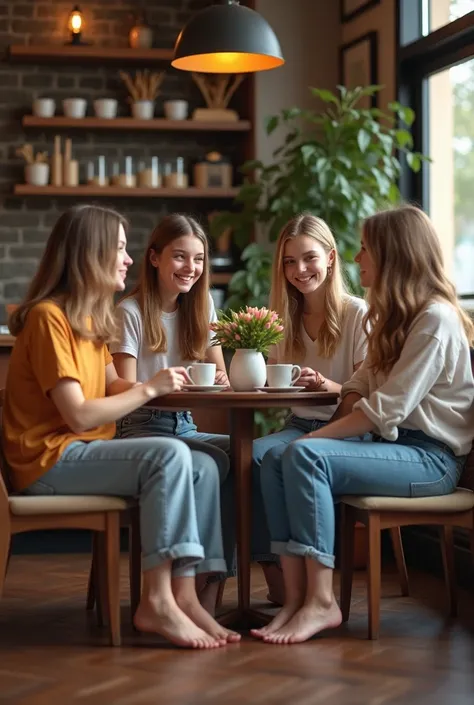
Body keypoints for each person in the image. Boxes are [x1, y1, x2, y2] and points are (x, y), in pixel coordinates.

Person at [2, 204, 239, 649]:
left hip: (81, 452)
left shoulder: (89, 318)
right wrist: (150, 390)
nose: (128, 260)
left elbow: (111, 383)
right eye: (120, 248)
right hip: (49, 461)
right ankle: (156, 602)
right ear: (89, 254)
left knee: (204, 466)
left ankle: (185, 596)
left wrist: (157, 384)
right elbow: (79, 414)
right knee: (170, 453)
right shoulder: (49, 318)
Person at [252, 204, 474, 644]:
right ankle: (296, 598)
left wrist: (314, 436)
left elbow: (384, 410)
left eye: (365, 248)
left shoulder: (434, 320)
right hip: (397, 448)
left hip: (429, 459)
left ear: (394, 255)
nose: (356, 259)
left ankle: (321, 602)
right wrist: (343, 406)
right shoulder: (393, 316)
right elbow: (359, 384)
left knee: (303, 453)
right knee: (277, 455)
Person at [110, 213, 233, 611]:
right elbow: (122, 389)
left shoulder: (203, 307)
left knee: (248, 457)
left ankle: (212, 583)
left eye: (198, 260)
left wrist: (223, 380)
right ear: (154, 258)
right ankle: (197, 589)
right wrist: (161, 385)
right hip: (141, 428)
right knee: (210, 464)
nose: (191, 269)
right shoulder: (129, 313)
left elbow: (221, 378)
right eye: (180, 257)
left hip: (186, 426)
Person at [251, 213, 367, 605]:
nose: (299, 270)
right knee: (251, 456)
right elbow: (272, 383)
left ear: (331, 258)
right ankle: (277, 573)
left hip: (348, 428)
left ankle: (305, 580)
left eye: (309, 258)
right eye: (289, 261)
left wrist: (327, 385)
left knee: (279, 457)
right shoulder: (284, 319)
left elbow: (365, 395)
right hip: (299, 422)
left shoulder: (358, 315)